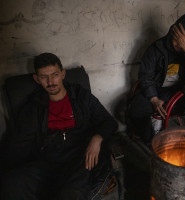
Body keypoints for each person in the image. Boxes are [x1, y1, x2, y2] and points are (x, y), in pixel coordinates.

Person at [0, 53, 118, 200]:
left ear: (63, 74)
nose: (50, 81)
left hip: (79, 158)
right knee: (11, 183)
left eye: (54, 74)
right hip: (47, 160)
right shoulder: (33, 107)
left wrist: (97, 138)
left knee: (70, 192)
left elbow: (109, 122)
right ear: (37, 79)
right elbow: (18, 144)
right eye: (44, 77)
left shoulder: (81, 96)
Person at [129, 14, 185, 144]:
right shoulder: (157, 48)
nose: (177, 46)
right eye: (175, 41)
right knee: (136, 106)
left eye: (181, 44)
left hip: (183, 96)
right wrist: (153, 99)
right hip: (160, 94)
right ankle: (151, 141)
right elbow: (145, 75)